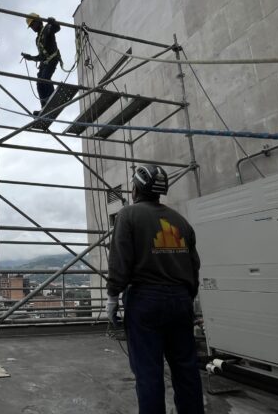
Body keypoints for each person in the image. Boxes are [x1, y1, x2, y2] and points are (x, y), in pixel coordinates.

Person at [106, 165, 204, 414]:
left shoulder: (128, 216)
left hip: (146, 301)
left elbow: (120, 260)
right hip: (181, 300)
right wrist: (186, 296)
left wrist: (112, 297)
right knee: (186, 369)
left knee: (148, 372)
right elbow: (194, 265)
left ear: (136, 187)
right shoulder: (180, 220)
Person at [21, 12, 61, 112]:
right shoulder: (37, 39)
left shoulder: (47, 28)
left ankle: (52, 100)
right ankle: (44, 107)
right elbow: (41, 56)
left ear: (38, 21)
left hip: (52, 59)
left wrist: (54, 22)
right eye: (30, 26)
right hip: (45, 62)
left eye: (32, 24)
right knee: (39, 83)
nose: (32, 28)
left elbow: (57, 28)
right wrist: (30, 58)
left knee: (45, 78)